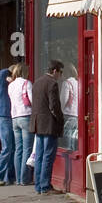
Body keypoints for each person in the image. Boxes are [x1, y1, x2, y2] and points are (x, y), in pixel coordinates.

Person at [30, 60, 64, 194]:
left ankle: (38, 185)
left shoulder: (37, 82)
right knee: (48, 156)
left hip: (38, 124)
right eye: (60, 72)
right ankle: (45, 186)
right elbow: (53, 106)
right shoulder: (52, 83)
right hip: (49, 124)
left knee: (39, 155)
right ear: (55, 71)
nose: (60, 75)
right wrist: (61, 119)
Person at [8, 63, 34, 185]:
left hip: (14, 118)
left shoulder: (11, 85)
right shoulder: (26, 83)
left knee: (18, 149)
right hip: (25, 117)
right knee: (27, 149)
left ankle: (18, 178)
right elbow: (33, 100)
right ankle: (24, 179)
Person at [0, 67, 15, 185]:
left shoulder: (10, 86)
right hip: (4, 116)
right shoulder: (1, 84)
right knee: (7, 147)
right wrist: (10, 71)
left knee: (12, 148)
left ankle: (9, 176)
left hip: (10, 116)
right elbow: (2, 73)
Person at [60, 63, 79, 151]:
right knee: (74, 137)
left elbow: (63, 100)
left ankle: (68, 157)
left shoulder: (66, 83)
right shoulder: (78, 83)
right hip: (76, 114)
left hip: (68, 114)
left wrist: (60, 110)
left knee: (67, 138)